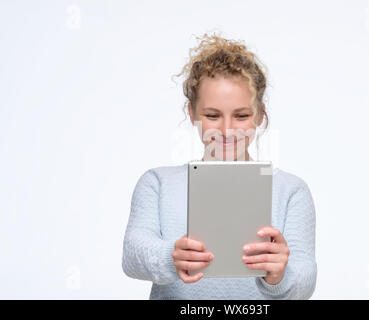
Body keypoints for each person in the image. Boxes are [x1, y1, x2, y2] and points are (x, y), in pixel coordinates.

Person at [122, 32, 317, 299]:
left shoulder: (291, 190)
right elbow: (132, 256)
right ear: (191, 113)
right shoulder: (158, 182)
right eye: (212, 115)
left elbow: (305, 280)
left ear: (260, 114)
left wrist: (280, 276)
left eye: (241, 115)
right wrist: (171, 257)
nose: (227, 130)